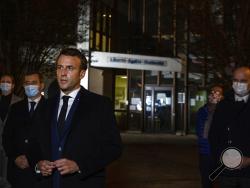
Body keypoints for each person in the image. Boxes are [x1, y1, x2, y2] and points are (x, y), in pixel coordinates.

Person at [28, 48, 122, 188]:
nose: (63, 73)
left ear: (82, 74)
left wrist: (79, 165)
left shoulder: (100, 105)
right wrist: (38, 164)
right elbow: (33, 143)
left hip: (83, 183)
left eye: (70, 68)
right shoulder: (44, 106)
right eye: (60, 67)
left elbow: (114, 147)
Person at [2, 71, 45, 188]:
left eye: (34, 82)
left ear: (41, 85)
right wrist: (14, 157)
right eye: (27, 83)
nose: (30, 86)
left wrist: (31, 159)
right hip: (17, 172)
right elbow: (6, 136)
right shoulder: (16, 108)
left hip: (39, 171)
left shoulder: (50, 108)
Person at [209, 67, 250, 188]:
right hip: (226, 171)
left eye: (243, 81)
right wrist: (221, 157)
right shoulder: (223, 104)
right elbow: (214, 135)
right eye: (235, 80)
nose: (238, 84)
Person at [196, 86, 223, 188]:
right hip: (206, 152)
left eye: (218, 93)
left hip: (221, 153)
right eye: (213, 92)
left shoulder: (225, 111)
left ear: (222, 96)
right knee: (206, 180)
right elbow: (201, 132)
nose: (214, 95)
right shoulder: (202, 111)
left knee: (221, 180)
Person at [0, 74, 22, 188]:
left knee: (9, 179)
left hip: (11, 148)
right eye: (2, 81)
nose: (4, 84)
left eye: (7, 82)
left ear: (13, 85)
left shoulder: (20, 102)